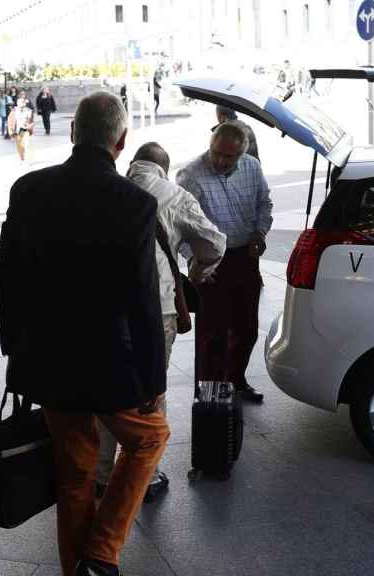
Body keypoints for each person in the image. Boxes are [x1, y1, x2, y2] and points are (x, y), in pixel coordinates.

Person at [0, 90, 169, 576]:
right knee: (151, 439)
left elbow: (5, 278)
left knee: (73, 475)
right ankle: (102, 553)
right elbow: (143, 300)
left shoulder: (28, 191)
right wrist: (153, 380)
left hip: (49, 364)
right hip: (113, 368)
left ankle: (78, 571)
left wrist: (15, 351)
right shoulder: (134, 203)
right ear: (121, 140)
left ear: (72, 132)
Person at [95, 142, 226, 502]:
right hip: (158, 307)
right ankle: (145, 474)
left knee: (106, 392)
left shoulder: (107, 189)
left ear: (133, 162)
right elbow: (215, 242)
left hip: (106, 310)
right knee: (152, 389)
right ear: (163, 168)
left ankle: (102, 474)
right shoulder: (175, 195)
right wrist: (198, 269)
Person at [176, 122, 273, 403]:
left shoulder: (252, 168)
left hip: (245, 255)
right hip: (210, 261)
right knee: (212, 335)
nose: (220, 161)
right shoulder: (191, 175)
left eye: (229, 157)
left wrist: (260, 231)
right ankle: (208, 395)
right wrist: (194, 259)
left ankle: (234, 380)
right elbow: (179, 225)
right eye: (216, 152)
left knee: (247, 329)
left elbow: (263, 204)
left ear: (241, 154)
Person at [7, 91, 35, 164]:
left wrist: (30, 126)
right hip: (17, 130)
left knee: (27, 144)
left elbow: (31, 121)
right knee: (19, 145)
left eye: (23, 102)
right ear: (17, 103)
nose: (22, 103)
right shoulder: (14, 111)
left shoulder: (28, 111)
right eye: (20, 102)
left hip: (24, 129)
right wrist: (10, 130)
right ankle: (22, 159)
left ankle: (28, 160)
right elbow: (10, 121)